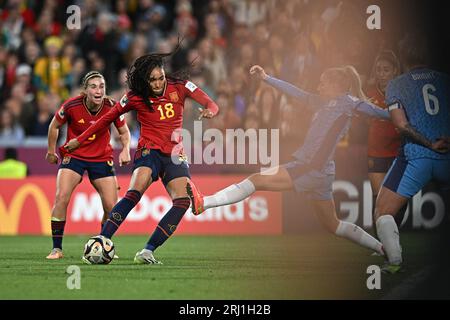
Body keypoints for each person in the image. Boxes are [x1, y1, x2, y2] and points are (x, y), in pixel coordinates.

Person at [187, 64, 390, 256]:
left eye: (323, 83)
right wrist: (266, 78)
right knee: (333, 225)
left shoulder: (349, 103)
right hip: (322, 171)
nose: (318, 87)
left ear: (336, 86)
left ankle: (204, 202)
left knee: (257, 180)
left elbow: (380, 113)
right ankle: (382, 248)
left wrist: (402, 120)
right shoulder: (322, 101)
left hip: (310, 167)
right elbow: (295, 92)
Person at [65, 51, 219, 264]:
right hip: (149, 151)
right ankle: (102, 238)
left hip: (174, 154)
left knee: (183, 202)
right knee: (134, 194)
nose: (158, 84)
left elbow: (211, 103)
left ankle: (148, 251)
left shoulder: (181, 86)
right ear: (145, 80)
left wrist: (211, 111)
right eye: (153, 80)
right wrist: (80, 140)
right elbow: (106, 119)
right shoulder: (135, 97)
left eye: (161, 78)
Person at [374, 35, 450, 273]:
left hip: (416, 156)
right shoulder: (445, 80)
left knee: (383, 211)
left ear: (403, 58)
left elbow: (401, 125)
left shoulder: (397, 84)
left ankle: (394, 262)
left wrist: (429, 143)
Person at [45, 71, 131, 259]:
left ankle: (103, 242)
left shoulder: (112, 106)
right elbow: (54, 126)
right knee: (61, 197)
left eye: (101, 86)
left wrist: (125, 149)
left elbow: (124, 132)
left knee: (111, 206)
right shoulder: (72, 105)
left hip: (101, 157)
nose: (98, 90)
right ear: (85, 90)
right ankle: (57, 248)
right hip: (75, 156)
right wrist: (51, 151)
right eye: (93, 86)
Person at [365, 51, 405, 231]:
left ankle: (392, 240)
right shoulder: (369, 94)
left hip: (399, 153)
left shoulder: (403, 93)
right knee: (379, 199)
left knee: (398, 201)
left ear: (395, 71)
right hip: (376, 153)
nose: (381, 74)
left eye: (386, 70)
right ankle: (381, 244)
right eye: (378, 70)